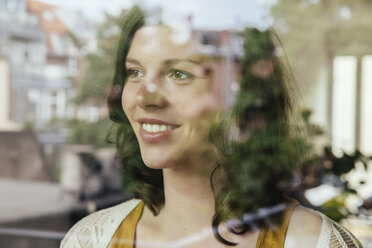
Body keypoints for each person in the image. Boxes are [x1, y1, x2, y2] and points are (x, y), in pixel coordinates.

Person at [60, 6, 363, 248]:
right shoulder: (91, 240)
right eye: (135, 71)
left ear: (244, 97)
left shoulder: (314, 243)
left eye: (178, 73)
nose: (144, 97)